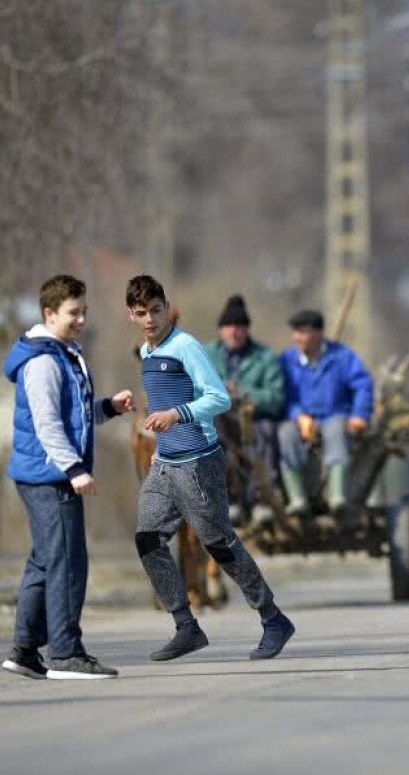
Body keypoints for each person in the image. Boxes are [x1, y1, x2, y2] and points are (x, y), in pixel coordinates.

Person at [127, 275, 294, 661]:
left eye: (156, 310)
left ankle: (273, 619)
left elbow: (217, 398)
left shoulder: (186, 346)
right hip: (166, 463)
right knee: (148, 539)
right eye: (142, 313)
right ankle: (186, 626)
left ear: (166, 308)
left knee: (219, 543)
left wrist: (177, 414)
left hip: (199, 463)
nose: (150, 319)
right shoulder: (148, 354)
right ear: (131, 316)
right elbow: (161, 404)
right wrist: (161, 442)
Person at [2, 274, 133, 680]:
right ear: (49, 313)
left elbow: (73, 414)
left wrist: (107, 408)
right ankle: (65, 653)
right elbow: (47, 424)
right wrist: (73, 468)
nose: (81, 319)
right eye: (73, 312)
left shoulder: (62, 353)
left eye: (84, 311)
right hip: (49, 475)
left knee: (45, 561)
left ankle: (25, 650)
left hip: (44, 473)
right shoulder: (42, 362)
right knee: (69, 563)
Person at [277, 309, 373, 522]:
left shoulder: (342, 357)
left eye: (304, 332)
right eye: (296, 332)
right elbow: (283, 395)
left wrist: (360, 415)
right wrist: (298, 415)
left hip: (334, 415)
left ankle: (337, 497)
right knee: (285, 434)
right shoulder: (286, 361)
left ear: (319, 334)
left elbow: (362, 385)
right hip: (299, 420)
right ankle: (298, 499)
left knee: (337, 430)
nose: (298, 338)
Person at [203, 294, 285, 527]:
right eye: (228, 326)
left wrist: (243, 394)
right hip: (221, 421)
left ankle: (261, 502)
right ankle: (230, 501)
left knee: (268, 433)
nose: (234, 332)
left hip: (256, 420)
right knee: (216, 437)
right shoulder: (206, 355)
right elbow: (195, 389)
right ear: (221, 330)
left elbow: (276, 397)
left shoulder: (265, 357)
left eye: (239, 326)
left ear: (247, 330)